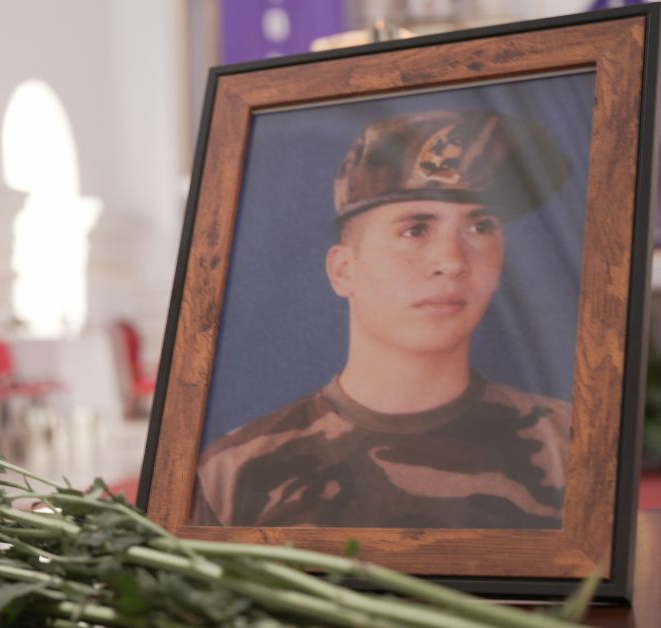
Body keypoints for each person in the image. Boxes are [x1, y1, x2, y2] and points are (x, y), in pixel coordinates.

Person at [193, 110, 574, 529]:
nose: (451, 261)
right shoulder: (233, 476)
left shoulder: (571, 446)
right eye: (415, 229)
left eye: (481, 225)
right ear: (343, 270)